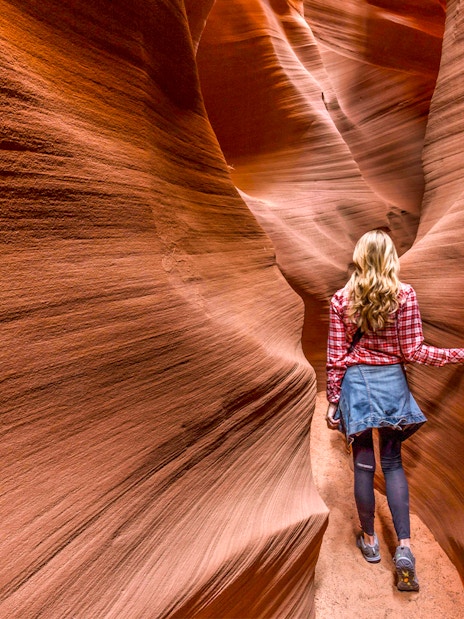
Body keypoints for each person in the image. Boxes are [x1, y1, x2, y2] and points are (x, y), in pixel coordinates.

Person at [325, 229, 464, 592]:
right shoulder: (405, 295)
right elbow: (415, 351)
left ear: (358, 257)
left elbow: (336, 358)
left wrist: (332, 400)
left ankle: (370, 542)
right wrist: (457, 354)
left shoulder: (341, 299)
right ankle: (404, 548)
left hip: (356, 385)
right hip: (392, 383)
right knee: (393, 463)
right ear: (391, 259)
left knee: (363, 464)